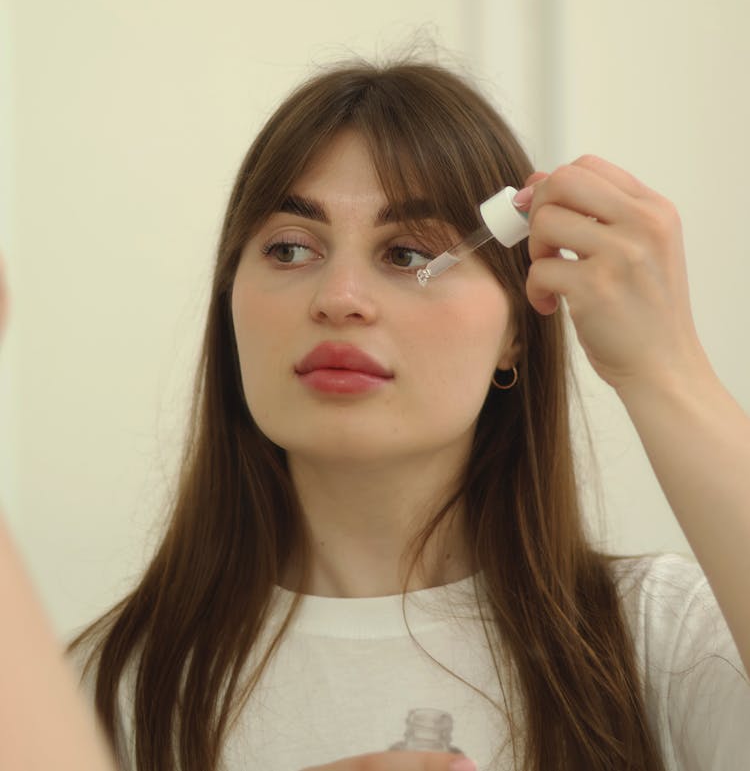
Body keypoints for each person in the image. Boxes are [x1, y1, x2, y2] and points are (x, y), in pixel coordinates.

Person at [3, 58, 749, 771]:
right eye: (291, 248)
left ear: (516, 330)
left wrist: (666, 371)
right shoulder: (107, 688)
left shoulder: (659, 640)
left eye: (404, 255)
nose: (339, 296)